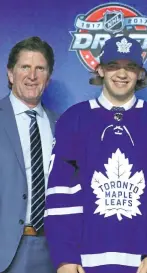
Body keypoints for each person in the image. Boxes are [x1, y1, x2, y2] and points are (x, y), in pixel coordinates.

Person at [45, 36, 147, 273]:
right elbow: (61, 193)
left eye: (130, 67)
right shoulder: (74, 119)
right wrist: (65, 256)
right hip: (89, 260)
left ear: (140, 73)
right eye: (113, 66)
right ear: (99, 69)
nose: (122, 74)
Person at [0, 36, 58, 273]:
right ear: (10, 74)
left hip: (52, 250)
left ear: (48, 78)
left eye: (40, 68)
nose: (32, 76)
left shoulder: (62, 125)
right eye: (25, 67)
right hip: (5, 251)